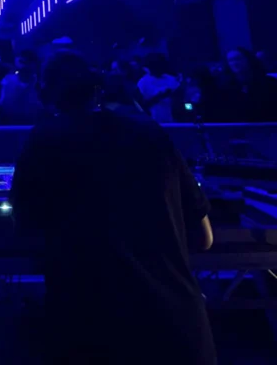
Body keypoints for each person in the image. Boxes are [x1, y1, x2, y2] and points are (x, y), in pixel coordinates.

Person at [11, 50, 216, 365]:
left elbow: (24, 226)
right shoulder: (150, 132)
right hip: (178, 329)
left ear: (44, 92)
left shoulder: (45, 139)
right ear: (98, 88)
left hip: (92, 331)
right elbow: (204, 238)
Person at [221, 47, 277, 122]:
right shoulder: (224, 87)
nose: (234, 63)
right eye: (231, 60)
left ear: (248, 60)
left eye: (238, 59)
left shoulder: (270, 83)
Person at [0, 49, 41, 124]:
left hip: (33, 127)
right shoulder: (7, 81)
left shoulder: (40, 85)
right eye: (21, 62)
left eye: (26, 62)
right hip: (10, 127)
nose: (23, 66)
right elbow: (2, 107)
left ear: (34, 65)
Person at [137, 53, 180, 123]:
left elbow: (179, 101)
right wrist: (160, 96)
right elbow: (141, 105)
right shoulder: (143, 82)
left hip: (172, 121)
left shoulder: (171, 79)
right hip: (152, 122)